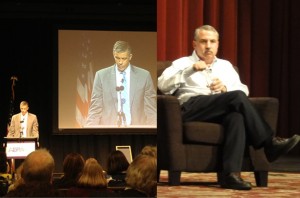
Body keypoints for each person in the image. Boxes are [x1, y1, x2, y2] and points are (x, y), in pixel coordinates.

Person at [157, 25, 300, 190]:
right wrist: (190, 70)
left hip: (218, 108)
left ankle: (231, 175)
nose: (208, 46)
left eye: (212, 41)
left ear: (218, 44)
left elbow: (243, 91)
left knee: (236, 117)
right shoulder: (182, 63)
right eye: (203, 41)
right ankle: (268, 143)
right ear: (194, 44)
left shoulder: (225, 66)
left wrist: (225, 89)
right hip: (190, 108)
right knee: (236, 97)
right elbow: (163, 85)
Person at [85, 40, 157, 127]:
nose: (120, 62)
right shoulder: (101, 76)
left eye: (124, 58)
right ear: (113, 55)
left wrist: (153, 132)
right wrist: (88, 131)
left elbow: (151, 110)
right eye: (117, 58)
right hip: (109, 131)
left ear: (130, 57)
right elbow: (95, 108)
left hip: (136, 131)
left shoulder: (144, 76)